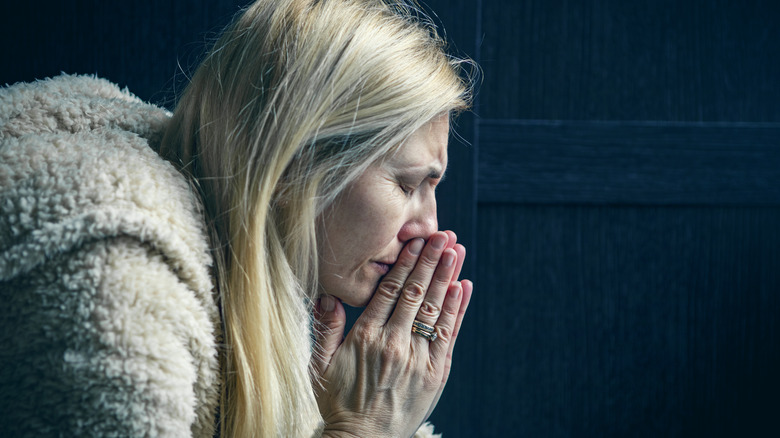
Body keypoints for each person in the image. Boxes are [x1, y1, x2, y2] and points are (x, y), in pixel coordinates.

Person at [0, 0, 474, 436]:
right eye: (408, 184)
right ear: (292, 166)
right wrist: (364, 427)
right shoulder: (114, 290)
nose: (429, 228)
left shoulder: (272, 282)